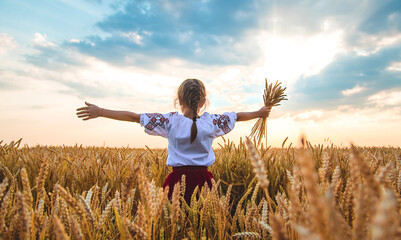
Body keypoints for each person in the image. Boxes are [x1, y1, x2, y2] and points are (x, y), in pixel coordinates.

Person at [76, 78, 271, 204]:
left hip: (177, 182)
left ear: (178, 100)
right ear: (203, 102)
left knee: (174, 224)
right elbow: (237, 116)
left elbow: (135, 116)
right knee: (204, 224)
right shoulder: (211, 122)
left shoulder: (169, 121)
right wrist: (259, 113)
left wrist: (101, 112)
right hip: (205, 181)